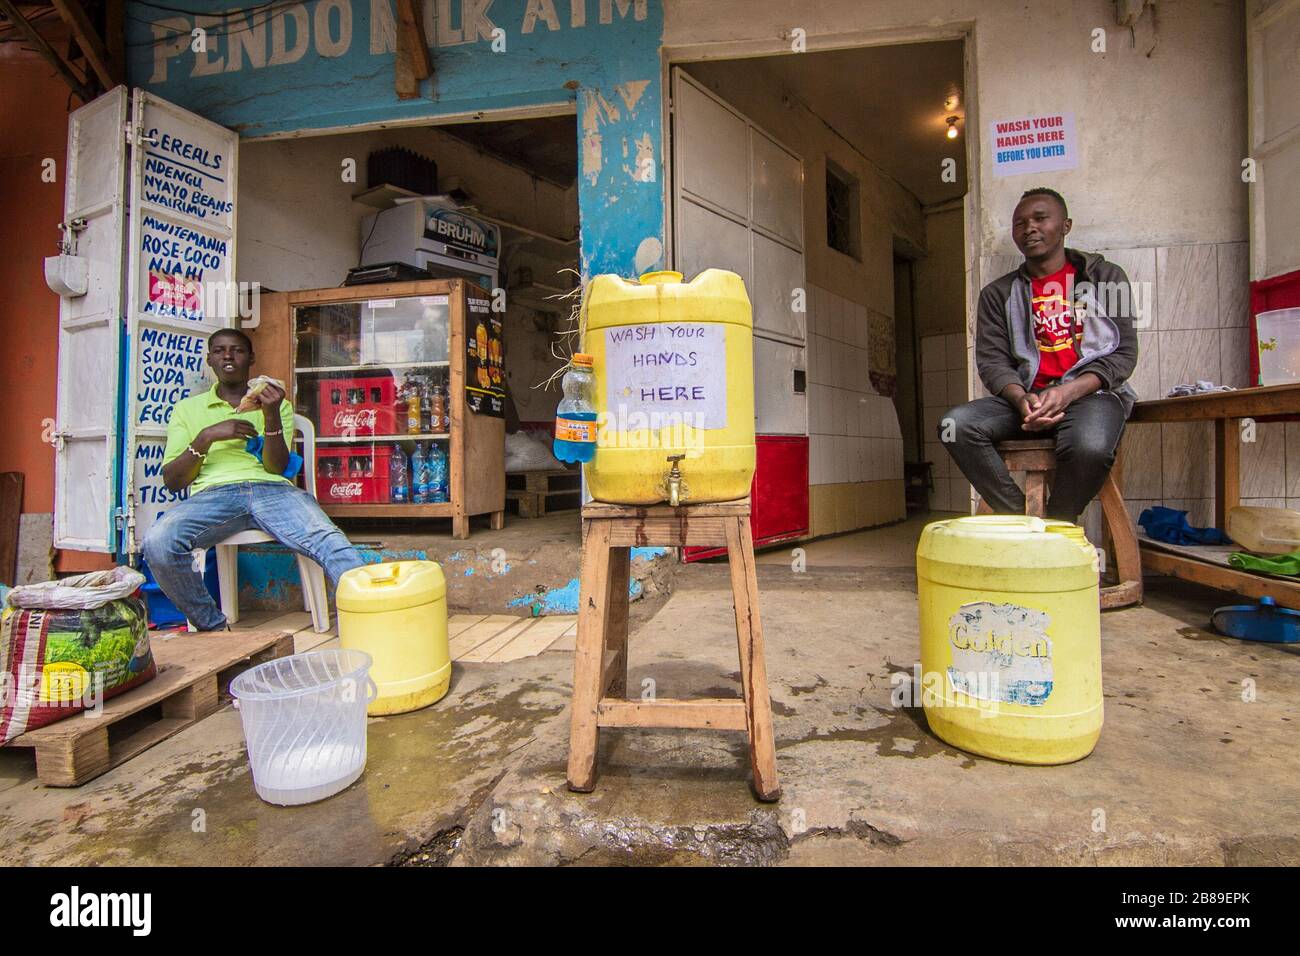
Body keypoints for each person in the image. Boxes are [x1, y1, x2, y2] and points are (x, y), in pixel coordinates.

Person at [143, 328, 364, 630]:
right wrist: (207, 436)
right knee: (158, 541)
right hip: (213, 496)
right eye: (219, 350)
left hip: (274, 491)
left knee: (330, 542)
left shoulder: (277, 404)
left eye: (237, 350)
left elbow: (277, 467)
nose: (228, 356)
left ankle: (372, 620)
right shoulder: (187, 409)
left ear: (251, 358)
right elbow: (173, 481)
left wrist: (271, 415)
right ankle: (214, 628)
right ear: (209, 359)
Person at [941, 187, 1138, 521]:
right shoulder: (997, 294)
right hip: (1027, 403)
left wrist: (1067, 392)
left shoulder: (1107, 277)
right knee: (956, 425)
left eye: (1040, 218)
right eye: (1020, 223)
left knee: (1089, 447)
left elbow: (1123, 354)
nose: (1029, 228)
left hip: (1091, 396)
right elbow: (992, 362)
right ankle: (1025, 521)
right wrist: (1022, 400)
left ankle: (1059, 523)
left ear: (1065, 225)